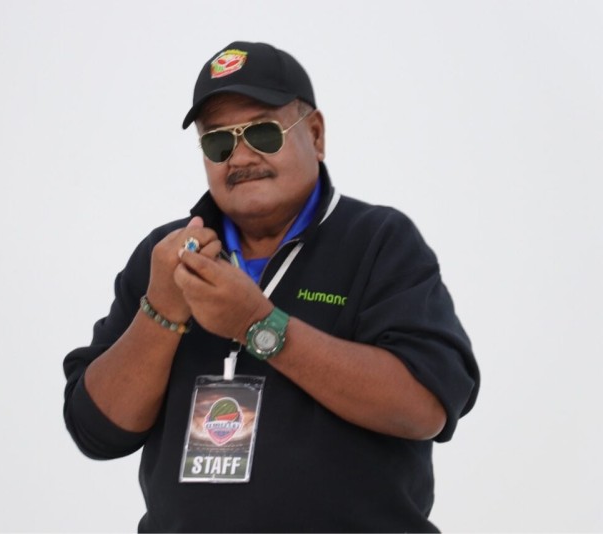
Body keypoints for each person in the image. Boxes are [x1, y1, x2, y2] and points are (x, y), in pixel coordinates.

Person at [63, 41, 480, 533]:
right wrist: (160, 312)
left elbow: (425, 408)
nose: (240, 156)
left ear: (316, 135)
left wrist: (257, 325)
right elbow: (97, 432)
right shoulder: (167, 255)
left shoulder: (378, 241)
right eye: (218, 142)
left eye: (262, 132)